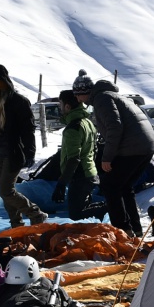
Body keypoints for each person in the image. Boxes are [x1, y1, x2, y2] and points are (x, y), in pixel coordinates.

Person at [81, 75, 154, 235]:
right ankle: (135, 230)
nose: (77, 98)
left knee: (110, 186)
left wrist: (107, 157)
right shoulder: (112, 95)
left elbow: (114, 127)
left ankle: (122, 231)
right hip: (145, 146)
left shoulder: (101, 98)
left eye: (77, 94)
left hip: (133, 147)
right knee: (124, 186)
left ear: (85, 92)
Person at [0, 64, 47, 228]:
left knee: (6, 191)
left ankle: (36, 213)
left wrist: (30, 152)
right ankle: (16, 224)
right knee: (4, 193)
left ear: (2, 87)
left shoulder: (18, 102)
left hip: (13, 153)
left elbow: (28, 130)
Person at [53, 89, 99, 219]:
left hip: (81, 175)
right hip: (89, 172)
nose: (59, 108)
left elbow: (73, 159)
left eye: (60, 104)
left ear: (67, 106)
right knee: (82, 210)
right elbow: (94, 149)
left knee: (76, 214)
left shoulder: (73, 128)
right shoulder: (87, 122)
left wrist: (62, 183)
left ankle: (111, 208)